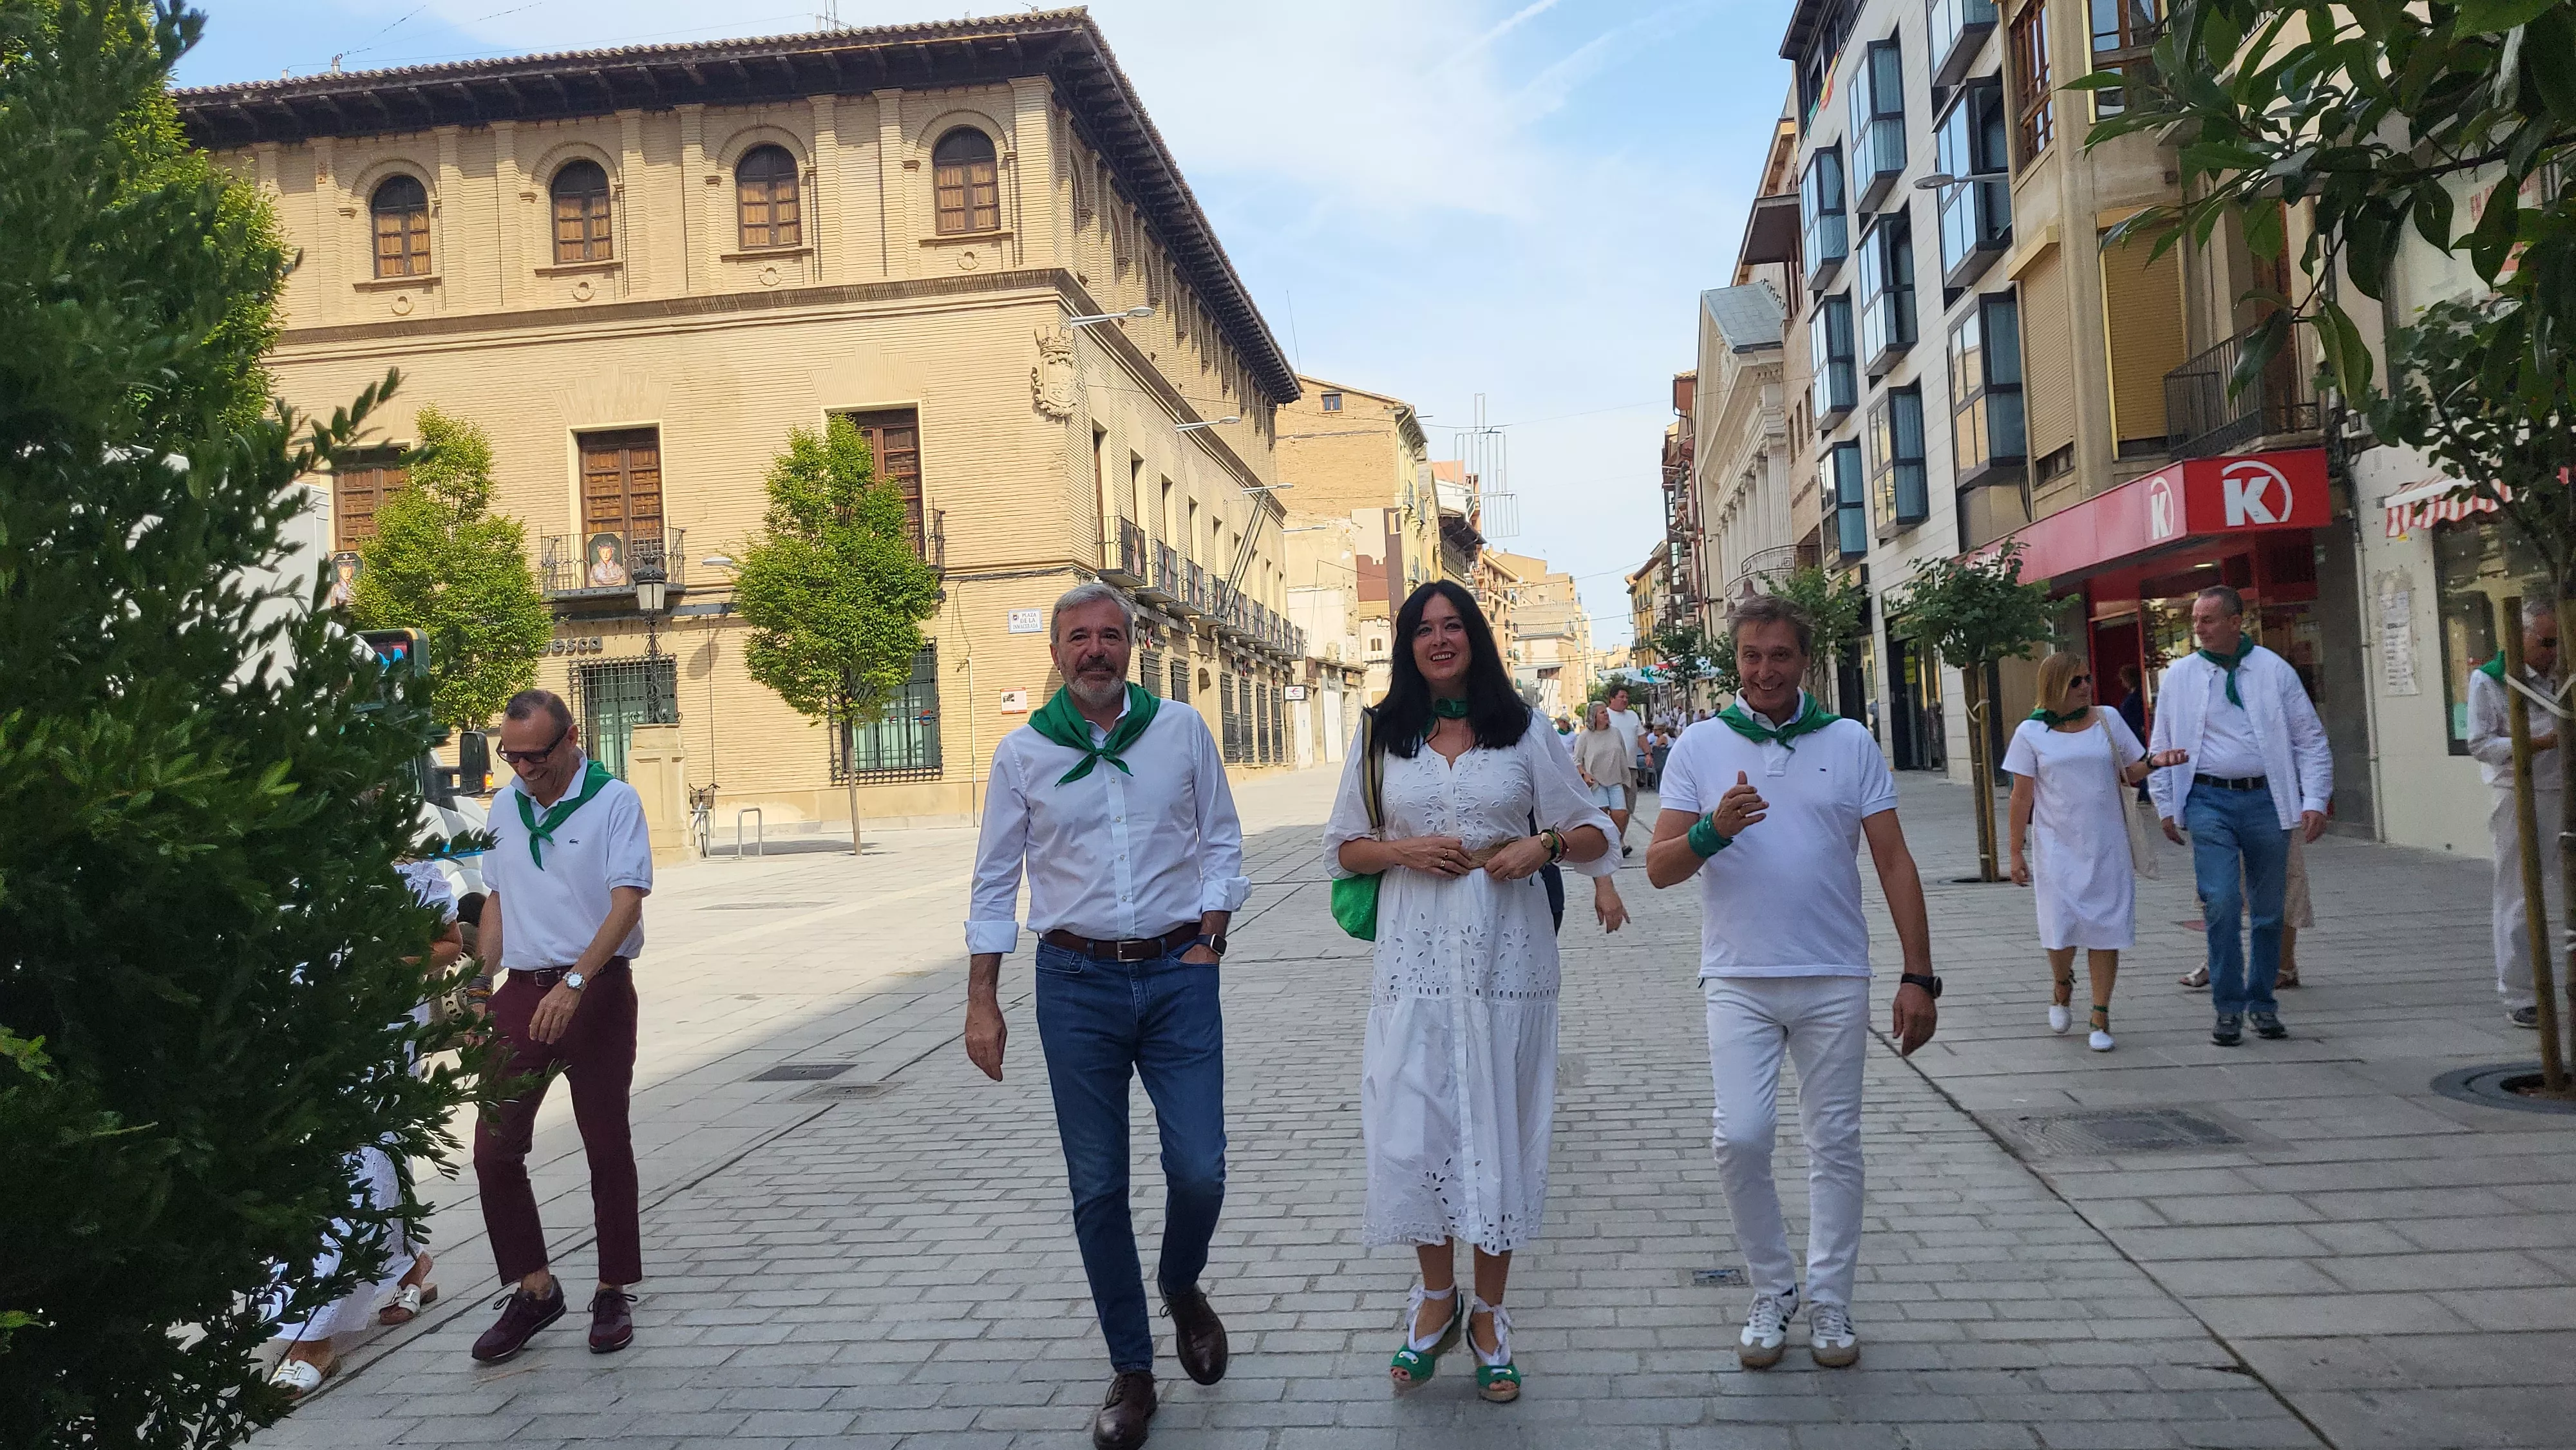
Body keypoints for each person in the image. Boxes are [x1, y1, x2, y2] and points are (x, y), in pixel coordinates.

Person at [963, 581, 1245, 1450]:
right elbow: (993, 878)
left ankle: (1180, 1283)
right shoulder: (1021, 754)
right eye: (1078, 637)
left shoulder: (1182, 730)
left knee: (1200, 1167)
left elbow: (1223, 838)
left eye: (1110, 636)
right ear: (1055, 653)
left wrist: (1212, 935)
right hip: (1074, 982)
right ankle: (1132, 1369)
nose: (1095, 650)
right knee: (1098, 1188)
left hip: (1177, 975)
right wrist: (982, 999)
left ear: (1133, 648)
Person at [1324, 581, 1616, 1406]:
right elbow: (1341, 845)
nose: (1439, 639)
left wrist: (1545, 845)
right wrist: (1403, 849)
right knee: (1414, 1130)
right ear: (1406, 644)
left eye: (1454, 626)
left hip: (1507, 969)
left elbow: (1598, 832)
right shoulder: (1381, 733)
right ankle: (1434, 1298)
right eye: (1424, 628)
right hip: (1412, 970)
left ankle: (1490, 1315)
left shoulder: (1522, 729)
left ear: (1476, 637)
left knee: (1499, 1127)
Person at [1645, 593, 1939, 1372]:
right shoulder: (1700, 746)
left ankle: (1831, 1295)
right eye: (1751, 655)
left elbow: (1894, 860)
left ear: (1802, 659)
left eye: (1779, 654)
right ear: (1733, 661)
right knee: (1738, 1136)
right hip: (1738, 976)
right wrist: (1715, 828)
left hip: (1834, 973)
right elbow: (1659, 868)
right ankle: (1772, 1287)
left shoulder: (1847, 741)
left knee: (1834, 1142)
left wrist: (1920, 974)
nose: (1765, 669)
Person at [469, 689, 653, 1363]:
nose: (523, 769)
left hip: (596, 988)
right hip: (522, 989)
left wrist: (577, 981)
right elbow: (497, 896)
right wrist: (477, 982)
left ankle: (612, 1287)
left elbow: (627, 901)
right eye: (511, 756)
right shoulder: (504, 804)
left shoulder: (613, 801)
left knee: (605, 1142)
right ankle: (535, 1287)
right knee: (494, 1148)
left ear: (571, 737)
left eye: (536, 756)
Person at [263, 856, 460, 1396]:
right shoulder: (281, 850)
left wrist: (386, 965)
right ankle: (410, 1265)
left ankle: (313, 1336)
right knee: (311, 1151)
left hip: (382, 1022)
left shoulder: (405, 866)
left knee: (362, 1149)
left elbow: (449, 942)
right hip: (299, 1023)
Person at [2147, 586, 2331, 1047]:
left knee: (2270, 911)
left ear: (2236, 622)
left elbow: (2309, 738)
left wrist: (2315, 799)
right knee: (2223, 901)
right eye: (2196, 619)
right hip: (2208, 799)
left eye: (2209, 619)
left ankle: (2262, 1004)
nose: (2199, 628)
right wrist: (2166, 804)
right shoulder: (2181, 676)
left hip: (2267, 801)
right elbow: (2161, 743)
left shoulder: (2273, 671)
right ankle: (2228, 1007)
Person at [2005, 653, 2188, 1052]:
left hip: (2107, 843)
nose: (2086, 687)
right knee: (2061, 928)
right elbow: (2021, 797)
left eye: (2087, 679)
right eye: (2075, 682)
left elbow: (2131, 769)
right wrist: (2015, 852)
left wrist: (2156, 763)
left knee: (2106, 927)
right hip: (2057, 847)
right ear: (2053, 686)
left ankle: (2101, 1014)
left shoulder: (2107, 718)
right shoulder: (2031, 732)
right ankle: (2061, 983)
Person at [2469, 599, 2564, 1029]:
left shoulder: (2564, 673)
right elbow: (2480, 744)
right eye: (2546, 642)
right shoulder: (2489, 680)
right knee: (2520, 893)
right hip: (2519, 792)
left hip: (2566, 788)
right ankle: (2521, 993)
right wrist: (2538, 742)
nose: (2553, 651)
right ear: (2521, 636)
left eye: (2557, 642)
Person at [1577, 699, 1636, 855]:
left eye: (1606, 712)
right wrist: (1584, 773)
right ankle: (1607, 846)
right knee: (1602, 814)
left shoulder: (1615, 733)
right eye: (1602, 712)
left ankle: (1617, 841)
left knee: (1621, 814)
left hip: (1615, 778)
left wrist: (1626, 775)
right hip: (1596, 782)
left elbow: (1622, 753)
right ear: (1593, 717)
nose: (1606, 715)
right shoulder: (1585, 736)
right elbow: (1575, 759)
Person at [1604, 684, 1645, 854]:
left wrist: (1648, 753)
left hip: (1630, 767)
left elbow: (1640, 736)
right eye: (1621, 697)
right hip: (1610, 768)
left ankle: (1620, 839)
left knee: (1628, 806)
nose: (1625, 700)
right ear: (1612, 699)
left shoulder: (1633, 716)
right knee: (1614, 807)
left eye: (1627, 697)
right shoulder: (1605, 715)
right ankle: (1612, 842)